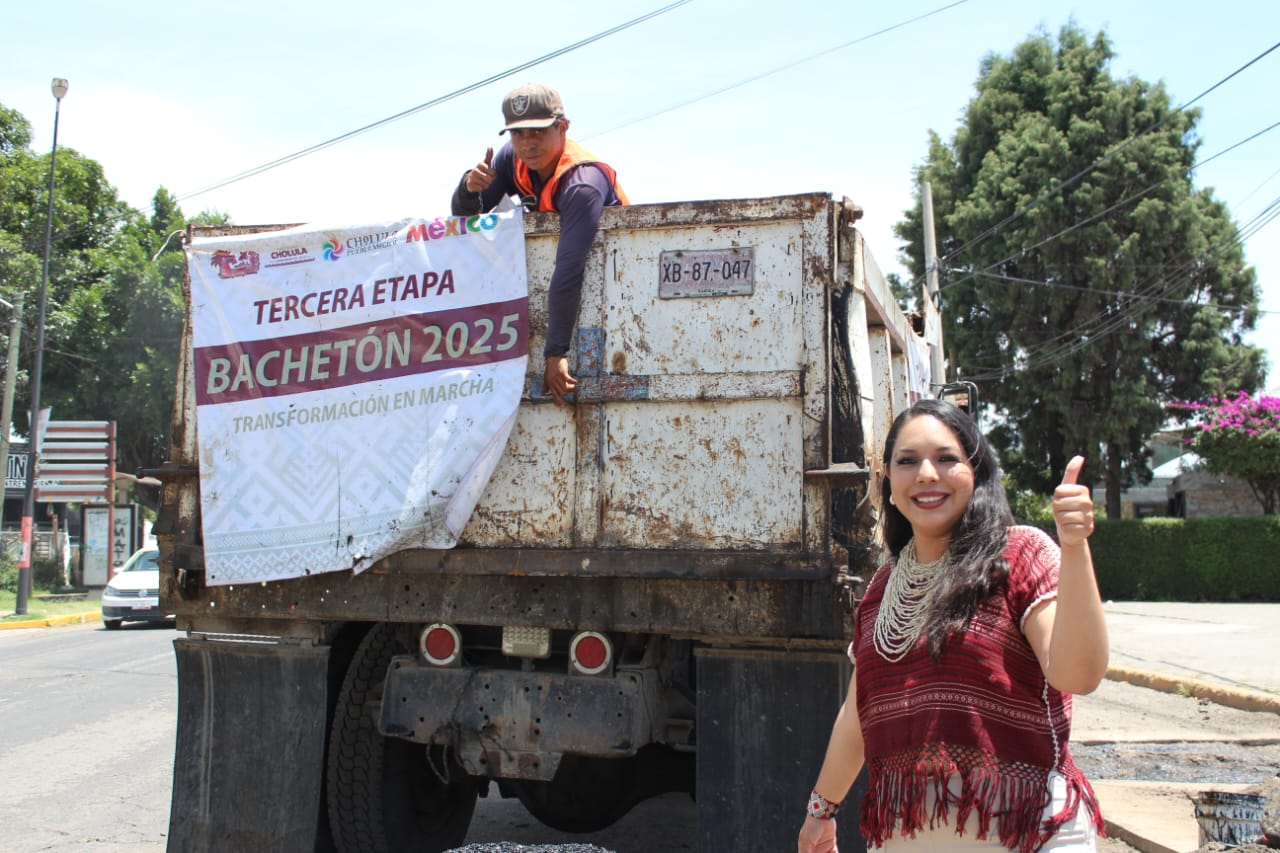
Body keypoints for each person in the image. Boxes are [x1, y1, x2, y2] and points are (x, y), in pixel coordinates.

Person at [797, 398, 1109, 853]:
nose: (926, 474)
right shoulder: (883, 587)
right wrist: (820, 812)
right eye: (908, 462)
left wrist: (1076, 547)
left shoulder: (1019, 554)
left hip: (1031, 834)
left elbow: (1078, 675)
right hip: (905, 837)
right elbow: (857, 715)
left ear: (976, 471)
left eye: (946, 459)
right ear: (888, 482)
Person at [451, 83, 628, 406]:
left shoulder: (582, 182)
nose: (527, 144)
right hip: (561, 295)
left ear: (563, 128)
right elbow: (468, 221)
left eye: (537, 132)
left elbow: (570, 266)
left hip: (617, 289)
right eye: (518, 134)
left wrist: (556, 353)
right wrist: (468, 188)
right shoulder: (512, 159)